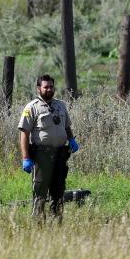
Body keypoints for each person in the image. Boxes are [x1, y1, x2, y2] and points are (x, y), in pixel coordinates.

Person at [18, 74, 79, 219]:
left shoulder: (60, 105)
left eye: (51, 87)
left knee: (58, 190)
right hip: (41, 155)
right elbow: (24, 134)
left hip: (60, 154)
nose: (49, 90)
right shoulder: (32, 107)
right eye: (46, 87)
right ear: (39, 88)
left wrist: (71, 139)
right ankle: (38, 223)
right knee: (40, 191)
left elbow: (66, 126)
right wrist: (26, 157)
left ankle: (56, 223)